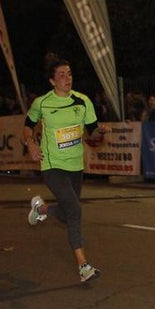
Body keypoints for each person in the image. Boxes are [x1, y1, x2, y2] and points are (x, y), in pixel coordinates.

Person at [24, 55, 104, 283]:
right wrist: (31, 144)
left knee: (69, 212)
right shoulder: (42, 103)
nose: (67, 78)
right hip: (51, 165)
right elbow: (27, 127)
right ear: (52, 81)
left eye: (69, 74)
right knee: (75, 211)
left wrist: (100, 132)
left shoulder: (82, 101)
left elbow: (92, 131)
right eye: (61, 75)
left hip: (75, 165)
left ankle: (41, 211)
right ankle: (83, 265)